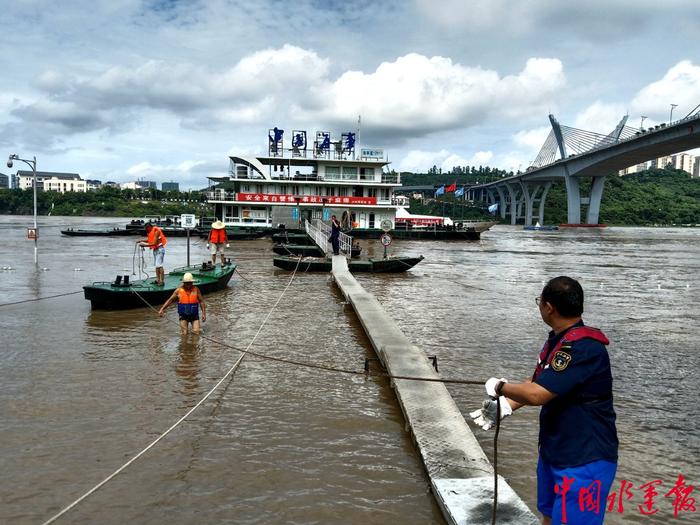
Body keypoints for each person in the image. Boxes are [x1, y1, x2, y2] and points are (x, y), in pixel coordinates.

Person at [471, 276, 618, 525]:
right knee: (548, 516)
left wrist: (500, 386)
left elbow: (538, 395)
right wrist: (506, 405)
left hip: (585, 459)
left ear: (548, 307)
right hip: (556, 451)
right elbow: (541, 382)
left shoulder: (583, 348)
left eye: (539, 301)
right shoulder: (560, 341)